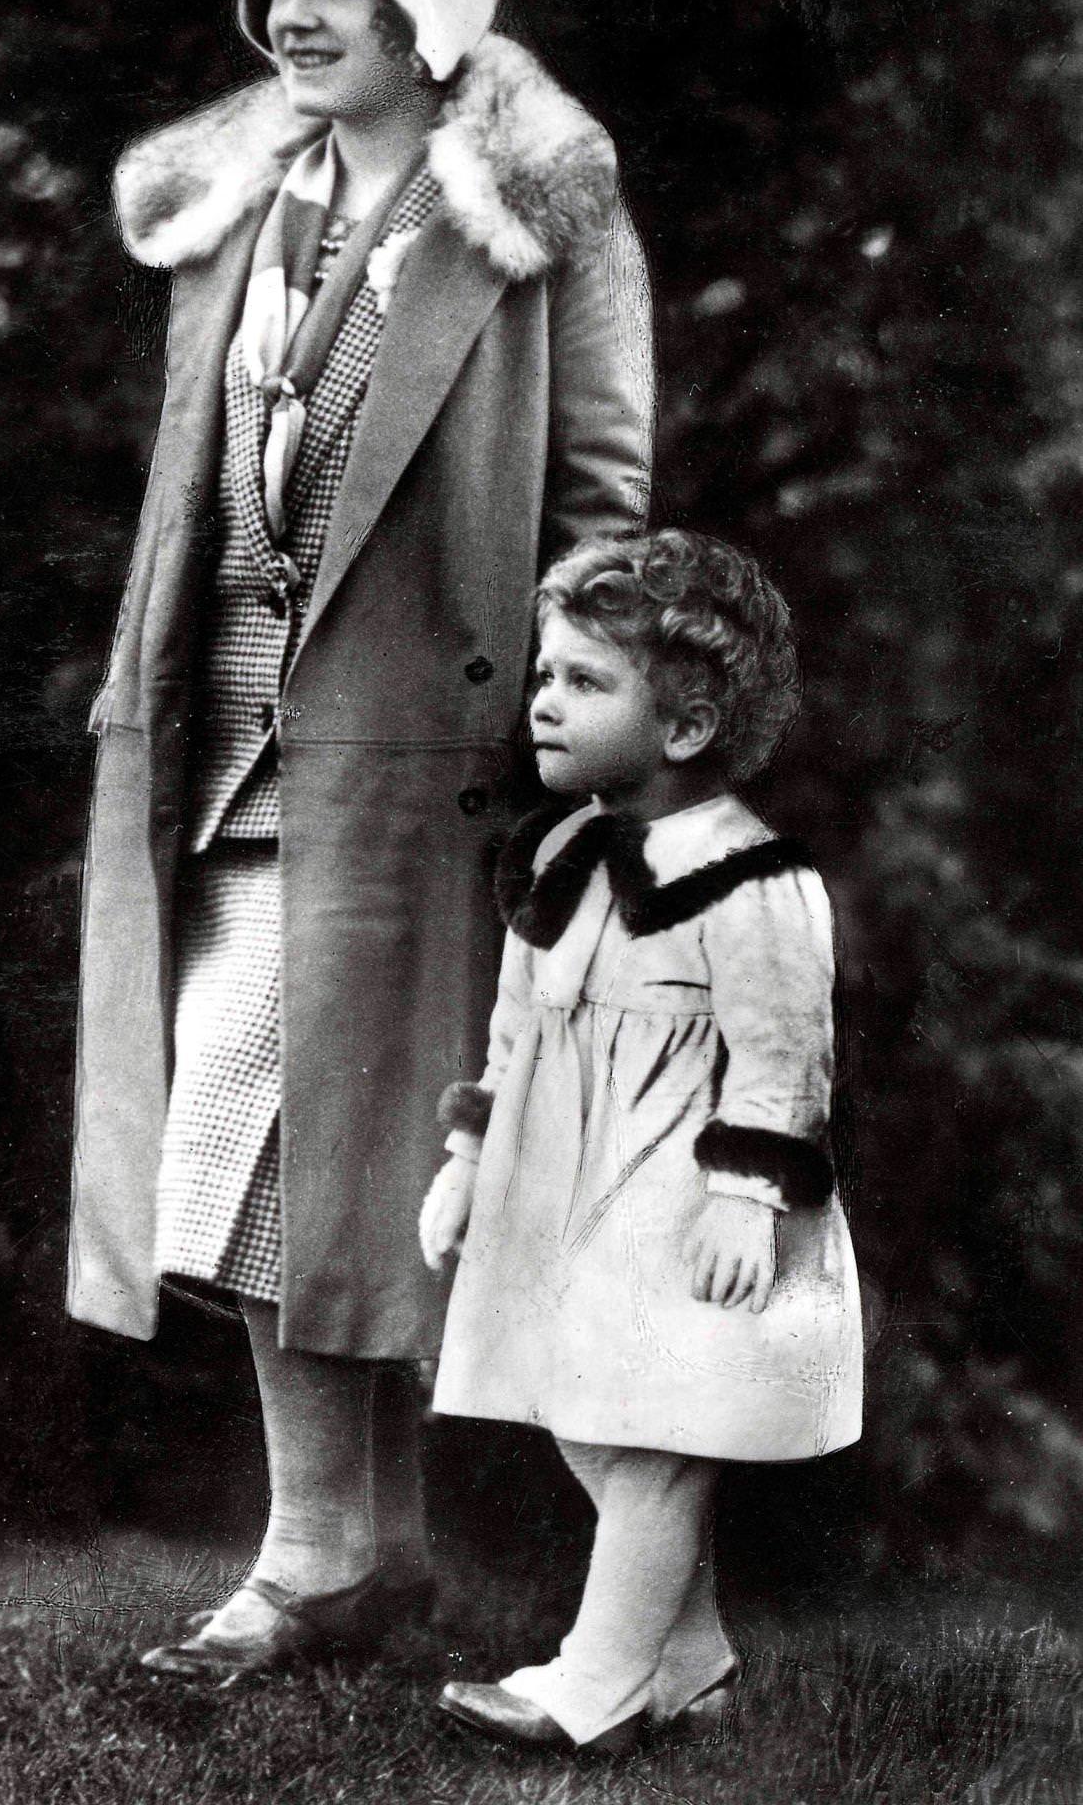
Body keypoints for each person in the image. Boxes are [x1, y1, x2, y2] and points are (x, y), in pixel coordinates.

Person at [66, 0, 653, 1684]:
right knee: (262, 1141)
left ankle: (316, 1554)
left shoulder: (540, 208)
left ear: (434, 12)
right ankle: (359, 1545)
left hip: (424, 749)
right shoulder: (250, 199)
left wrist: (571, 720)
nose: (295, 16)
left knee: (326, 1147)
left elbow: (606, 498)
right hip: (222, 725)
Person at [420, 529, 863, 1755]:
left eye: (584, 682)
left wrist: (745, 1194)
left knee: (657, 1437)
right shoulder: (560, 854)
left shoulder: (752, 878)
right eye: (542, 677)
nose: (544, 703)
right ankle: (687, 1653)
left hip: (678, 1189)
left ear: (683, 726)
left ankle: (596, 1681)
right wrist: (469, 1159)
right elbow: (517, 1027)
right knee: (592, 1420)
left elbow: (784, 1055)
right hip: (567, 1182)